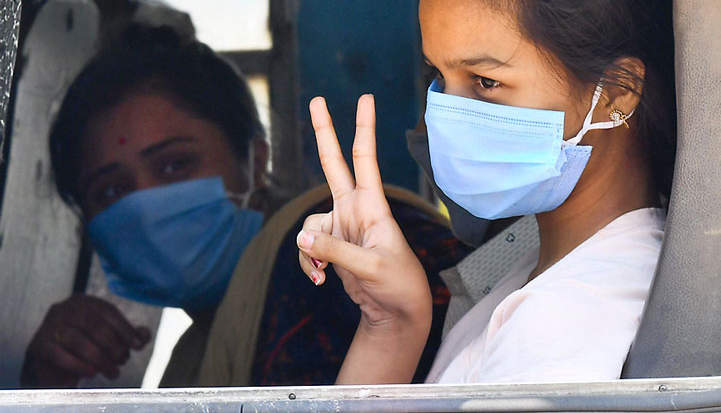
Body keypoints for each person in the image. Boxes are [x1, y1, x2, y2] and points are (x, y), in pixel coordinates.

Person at [296, 0, 676, 384]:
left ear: (616, 93)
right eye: (439, 74)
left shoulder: (567, 322)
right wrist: (393, 325)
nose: (447, 115)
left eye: (485, 82)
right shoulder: (540, 273)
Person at [21, 28, 468, 388]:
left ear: (255, 160)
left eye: (175, 165)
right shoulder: (200, 350)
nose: (145, 205)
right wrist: (49, 383)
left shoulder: (347, 264)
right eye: (112, 191)